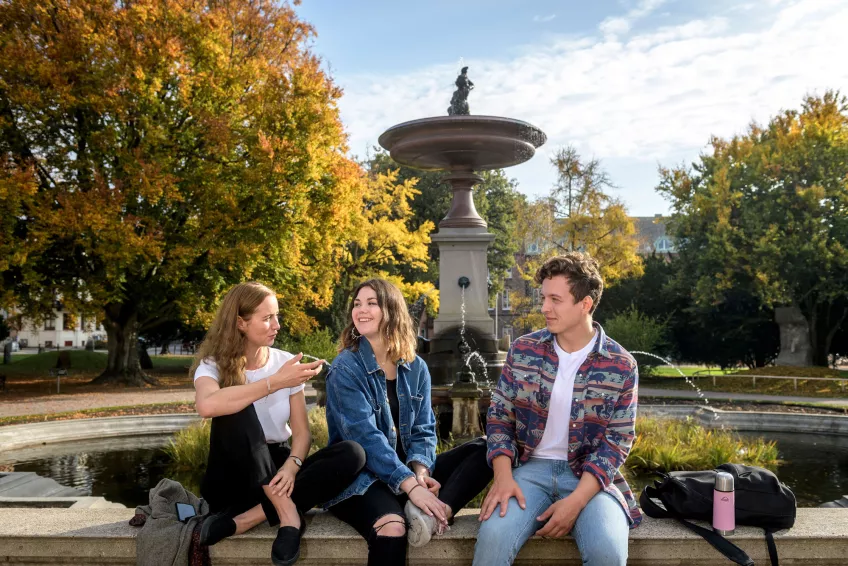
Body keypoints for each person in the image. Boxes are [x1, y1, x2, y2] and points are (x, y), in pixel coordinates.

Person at [473, 253, 642, 566]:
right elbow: (499, 417)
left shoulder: (621, 365)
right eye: (543, 298)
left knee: (608, 552)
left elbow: (617, 442)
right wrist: (503, 476)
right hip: (528, 471)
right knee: (493, 538)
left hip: (591, 478)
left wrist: (576, 502)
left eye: (555, 299)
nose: (544, 308)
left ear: (585, 304)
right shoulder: (523, 350)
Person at [191, 282, 366, 566]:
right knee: (236, 404)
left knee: (353, 453)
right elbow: (207, 405)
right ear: (240, 323)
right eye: (267, 318)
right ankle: (287, 516)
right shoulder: (213, 365)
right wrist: (274, 383)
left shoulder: (285, 362)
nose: (277, 325)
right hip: (233, 476)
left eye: (277, 316)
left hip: (276, 469)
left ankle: (249, 519)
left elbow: (302, 434)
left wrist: (292, 465)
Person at [323, 278, 493, 565]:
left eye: (371, 303)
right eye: (357, 304)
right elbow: (365, 439)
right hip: (362, 479)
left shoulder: (416, 366)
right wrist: (411, 486)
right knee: (392, 526)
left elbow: (424, 429)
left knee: (488, 449)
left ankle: (431, 515)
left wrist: (422, 473)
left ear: (392, 310)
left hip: (408, 473)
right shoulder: (345, 368)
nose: (361, 310)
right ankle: (416, 505)